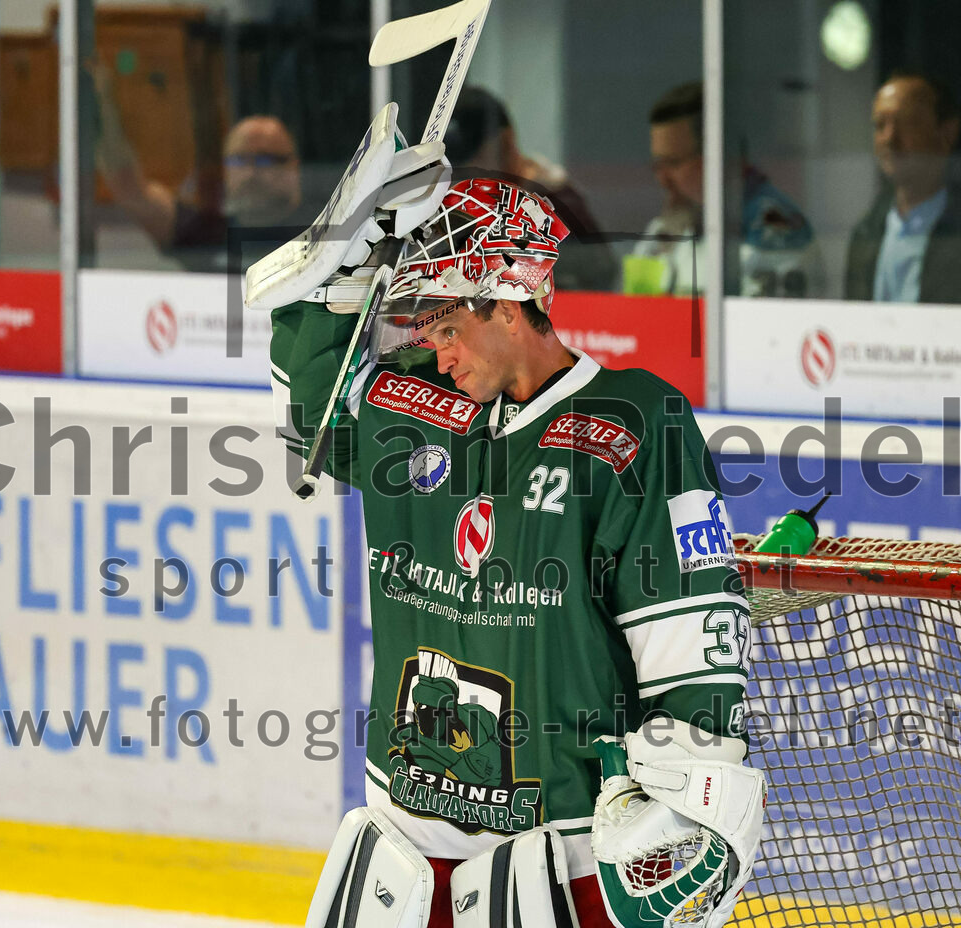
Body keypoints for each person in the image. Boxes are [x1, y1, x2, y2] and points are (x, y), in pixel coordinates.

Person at [270, 177, 765, 926]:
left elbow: (689, 628)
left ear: (506, 305)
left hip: (566, 850)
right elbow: (315, 421)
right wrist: (342, 261)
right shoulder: (410, 403)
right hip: (407, 846)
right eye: (426, 334)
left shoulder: (632, 423)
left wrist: (686, 790)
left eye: (446, 329)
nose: (436, 355)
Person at [92, 59, 310, 271]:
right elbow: (130, 190)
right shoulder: (205, 230)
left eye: (265, 159)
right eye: (239, 160)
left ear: (294, 167)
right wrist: (103, 103)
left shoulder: (320, 231)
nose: (251, 172)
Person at [631, 81, 818, 297]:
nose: (662, 179)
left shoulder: (771, 229)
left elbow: (758, 315)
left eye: (673, 163)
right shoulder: (672, 223)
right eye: (657, 165)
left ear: (719, 158)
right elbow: (637, 307)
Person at [444, 86, 619, 291]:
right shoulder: (466, 202)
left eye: (475, 164)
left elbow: (601, 271)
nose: (467, 180)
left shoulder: (554, 198)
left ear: (505, 143)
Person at [845, 71, 961, 303]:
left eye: (907, 123)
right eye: (880, 125)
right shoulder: (866, 233)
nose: (889, 138)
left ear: (947, 132)